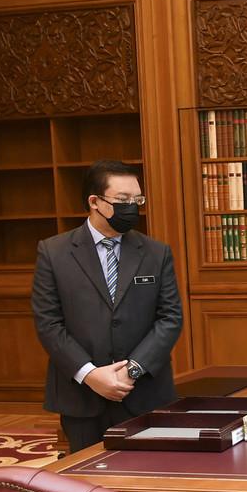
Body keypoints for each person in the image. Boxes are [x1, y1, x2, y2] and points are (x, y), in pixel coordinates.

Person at [32, 160, 183, 452]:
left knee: (150, 478)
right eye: (123, 200)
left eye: (137, 200)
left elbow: (170, 318)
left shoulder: (155, 252)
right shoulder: (54, 252)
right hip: (82, 396)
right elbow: (48, 323)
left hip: (144, 392)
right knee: (89, 484)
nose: (133, 207)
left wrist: (133, 371)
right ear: (95, 202)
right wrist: (90, 374)